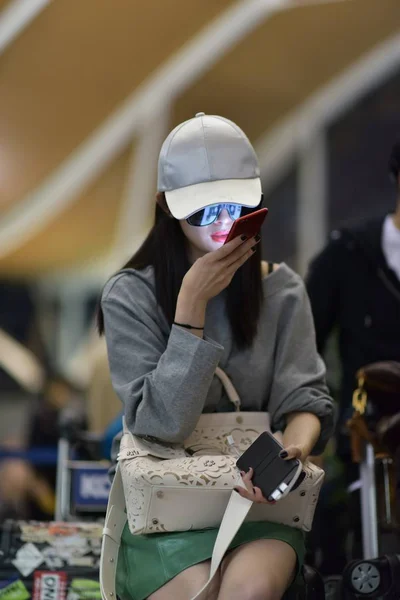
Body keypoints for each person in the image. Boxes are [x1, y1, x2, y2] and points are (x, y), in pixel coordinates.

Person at [98, 112, 334, 600]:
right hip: (166, 508)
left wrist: (294, 449)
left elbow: (305, 399)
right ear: (165, 208)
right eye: (202, 212)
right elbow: (160, 426)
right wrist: (190, 310)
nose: (223, 222)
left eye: (236, 205)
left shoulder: (282, 290)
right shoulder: (130, 296)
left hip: (259, 504)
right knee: (198, 592)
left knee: (247, 592)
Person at [305, 139, 400, 567]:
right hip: (366, 445)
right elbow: (302, 347)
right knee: (372, 562)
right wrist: (312, 425)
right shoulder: (349, 252)